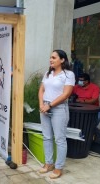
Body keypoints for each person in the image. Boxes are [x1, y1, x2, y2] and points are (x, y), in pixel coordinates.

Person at [38, 49, 75, 179]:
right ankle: (48, 164)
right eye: (50, 57)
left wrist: (49, 105)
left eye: (54, 57)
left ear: (62, 60)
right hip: (45, 107)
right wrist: (42, 104)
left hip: (59, 108)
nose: (51, 60)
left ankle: (59, 167)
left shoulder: (68, 74)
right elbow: (41, 90)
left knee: (59, 139)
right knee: (46, 137)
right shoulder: (48, 74)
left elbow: (66, 94)